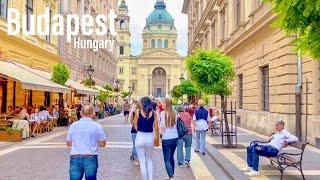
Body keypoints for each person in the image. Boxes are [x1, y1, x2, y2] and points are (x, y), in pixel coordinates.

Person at [67, 103, 107, 180]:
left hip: (75, 157)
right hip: (90, 157)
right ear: (93, 113)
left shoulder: (73, 125)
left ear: (81, 113)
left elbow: (69, 143)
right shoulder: (97, 126)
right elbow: (102, 144)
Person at [133, 97, 159, 180]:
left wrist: (139, 129)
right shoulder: (154, 113)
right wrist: (157, 138)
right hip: (149, 138)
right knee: (149, 160)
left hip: (140, 137)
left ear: (143, 103)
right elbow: (156, 127)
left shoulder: (138, 112)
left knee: (142, 162)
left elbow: (134, 125)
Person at [159, 98, 178, 179]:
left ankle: (171, 177)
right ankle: (171, 175)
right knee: (171, 157)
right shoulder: (175, 113)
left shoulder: (163, 113)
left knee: (167, 158)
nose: (161, 104)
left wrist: (160, 127)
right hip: (175, 137)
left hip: (166, 138)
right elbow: (176, 124)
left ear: (166, 104)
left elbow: (163, 126)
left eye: (163, 103)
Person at [130, 100, 140, 165]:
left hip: (133, 130)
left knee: (134, 144)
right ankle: (137, 157)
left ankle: (134, 156)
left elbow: (131, 122)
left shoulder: (132, 113)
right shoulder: (142, 113)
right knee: (139, 145)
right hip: (140, 131)